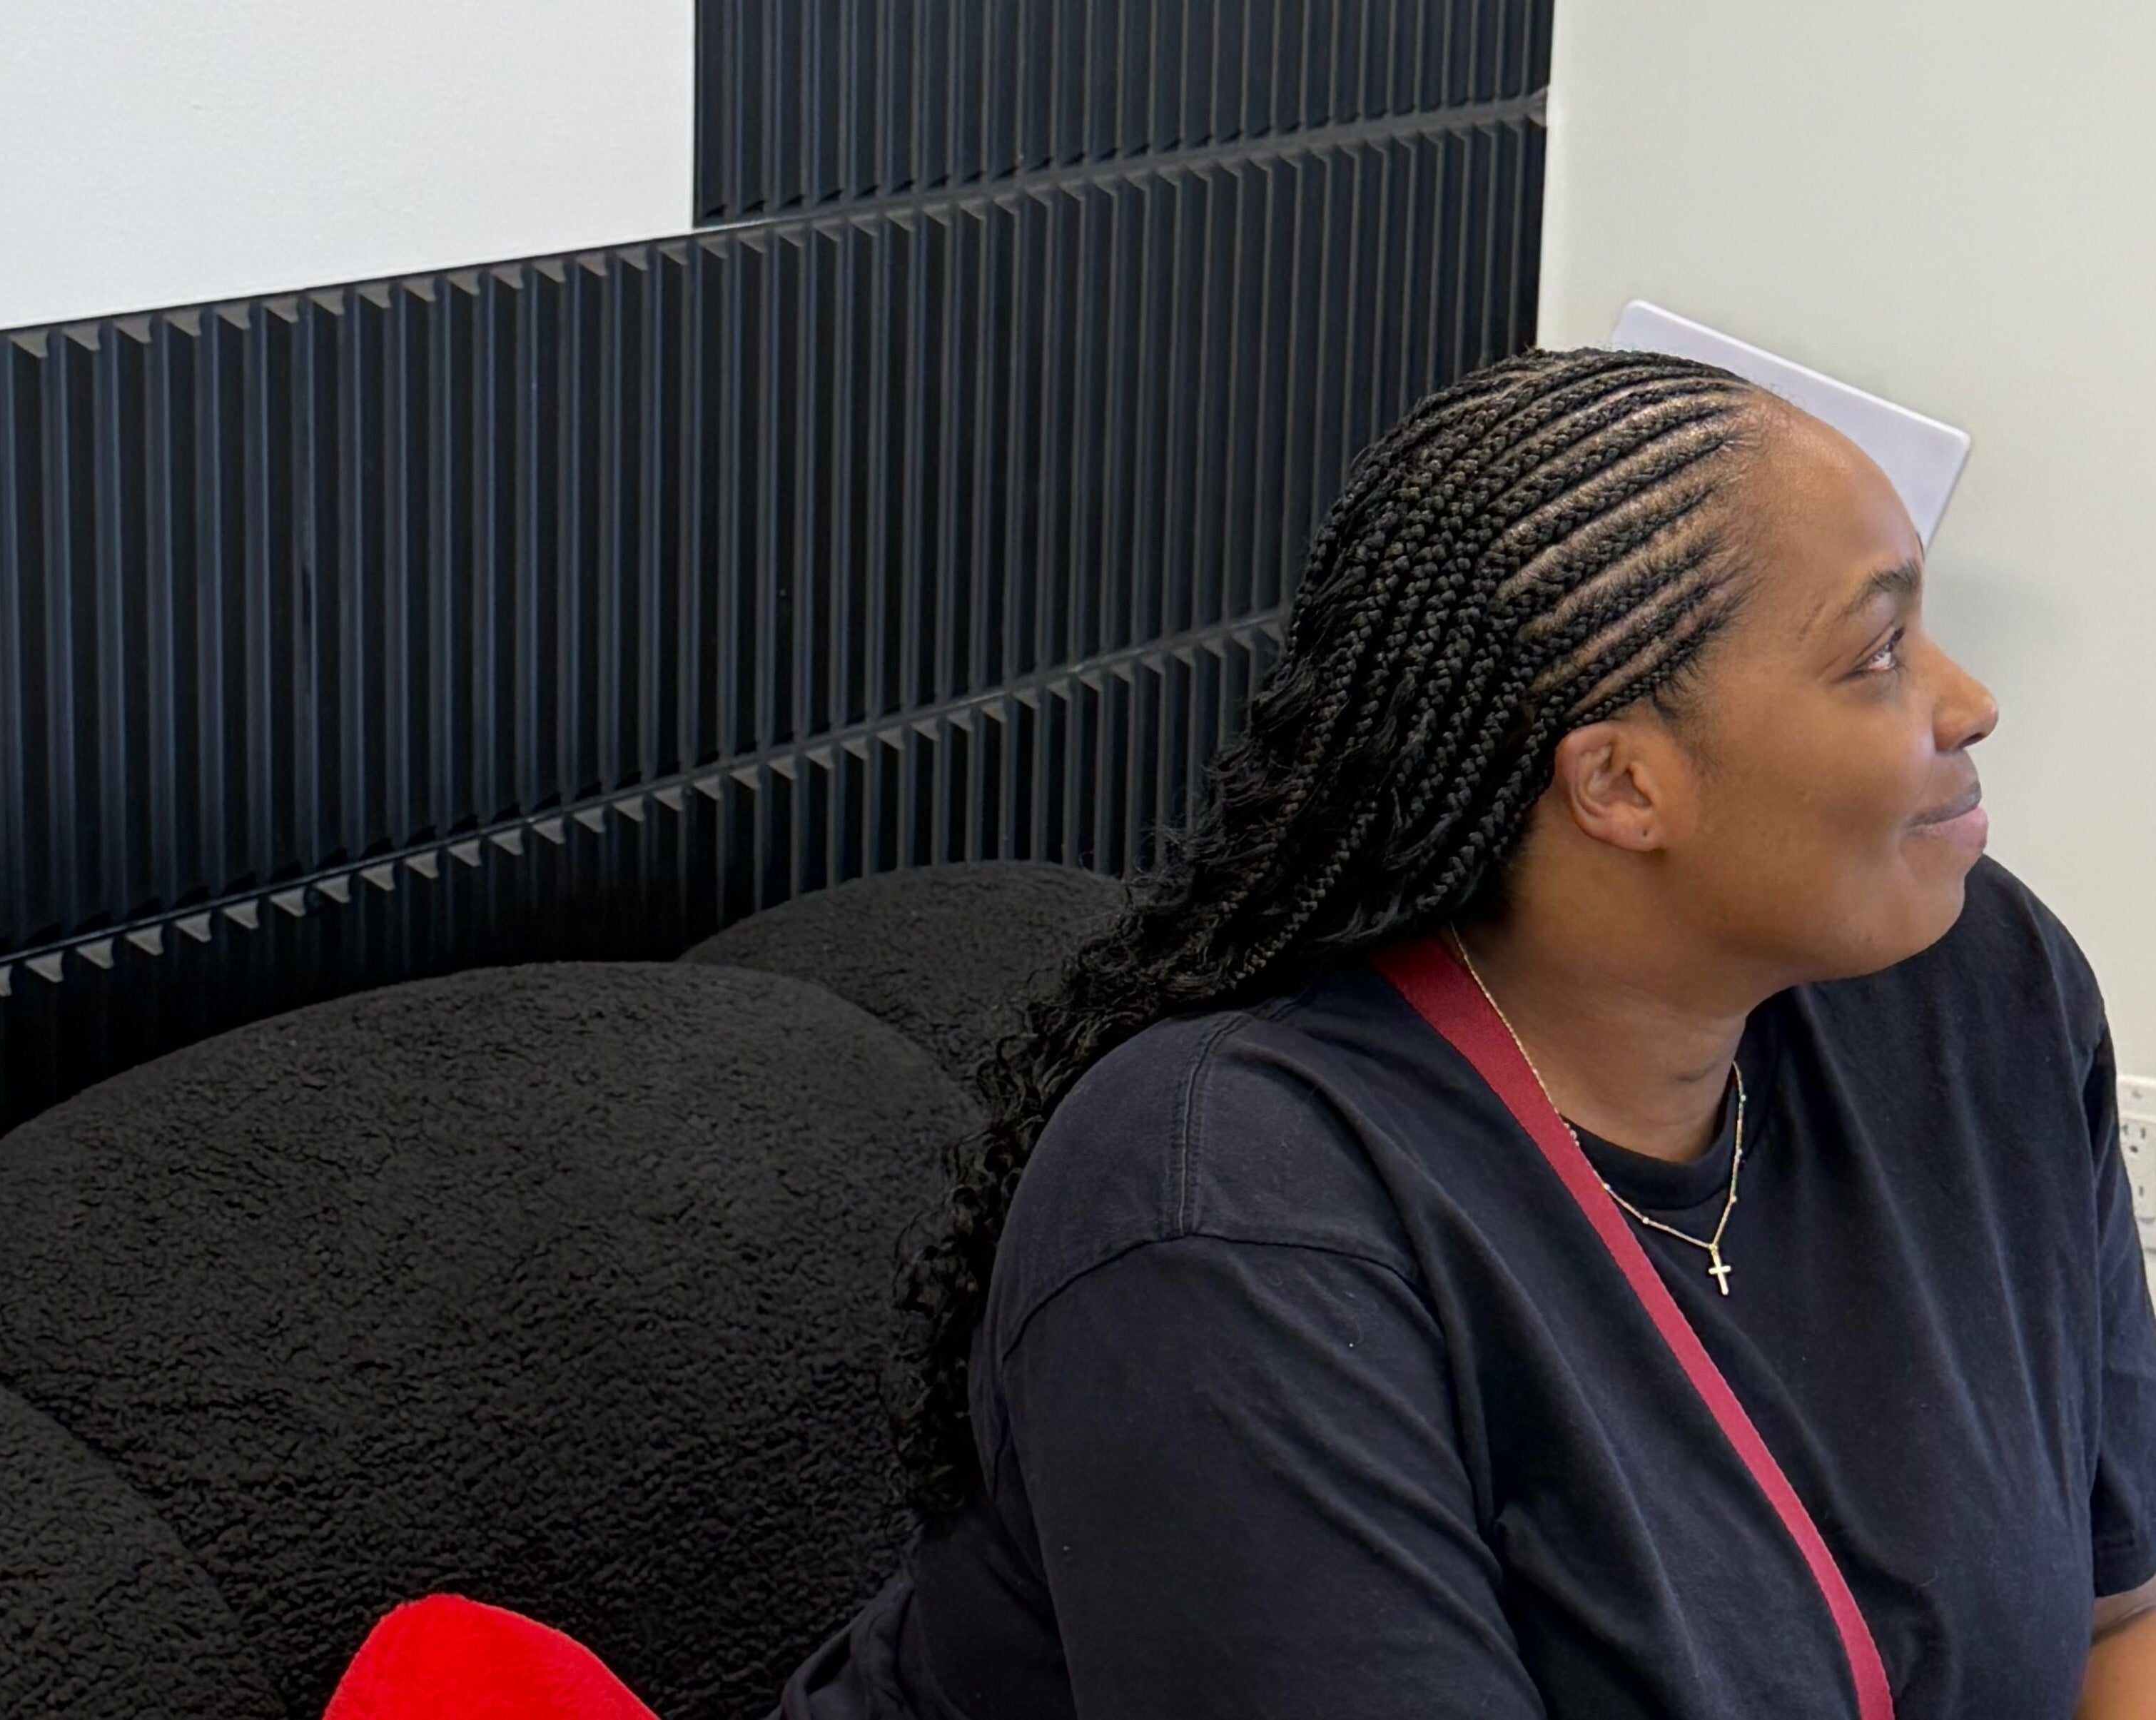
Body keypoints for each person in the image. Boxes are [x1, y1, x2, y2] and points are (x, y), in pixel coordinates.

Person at [326, 348, 2156, 1718]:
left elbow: (2114, 1616)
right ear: (1617, 777)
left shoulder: (1969, 992)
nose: (1968, 699)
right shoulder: (1232, 1214)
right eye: (1876, 650)